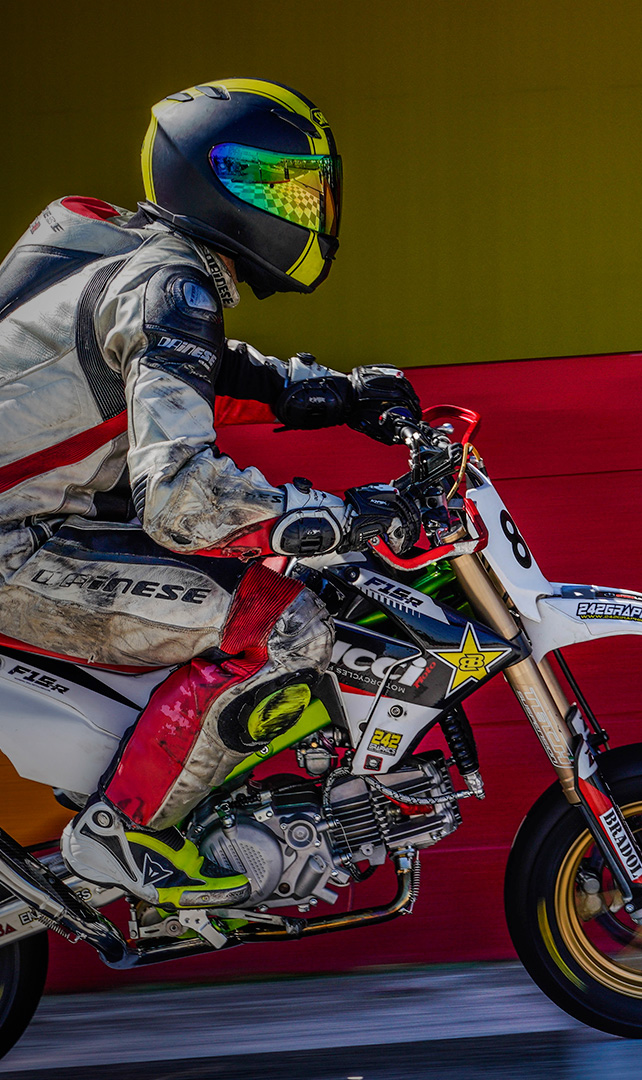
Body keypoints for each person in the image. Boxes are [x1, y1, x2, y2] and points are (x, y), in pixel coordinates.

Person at [0, 79, 422, 908]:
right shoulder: (170, 284)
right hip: (19, 547)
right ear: (215, 179)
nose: (305, 208)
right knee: (285, 623)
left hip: (38, 522)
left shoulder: (131, 257)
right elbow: (183, 503)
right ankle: (130, 830)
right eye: (283, 189)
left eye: (308, 191)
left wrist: (325, 392)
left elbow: (177, 375)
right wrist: (338, 519)